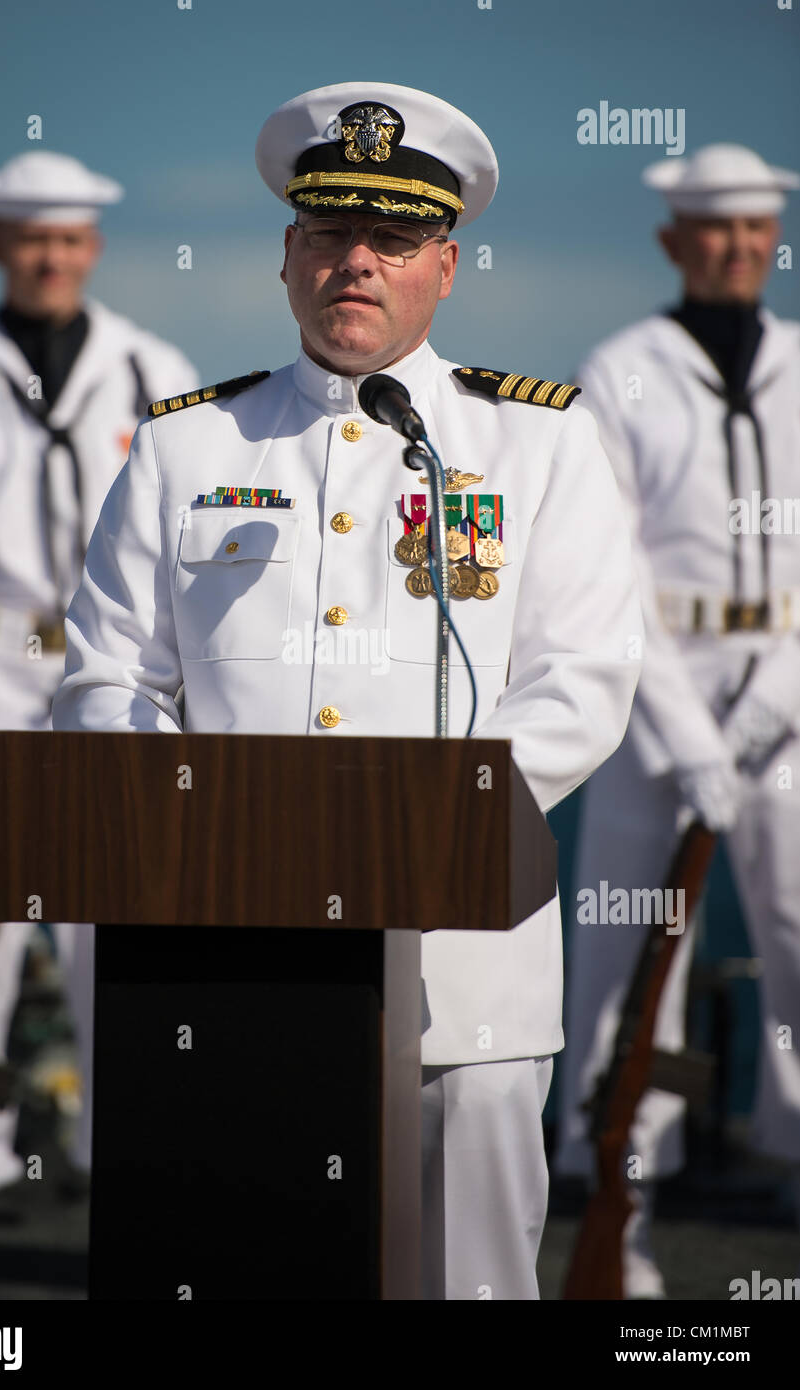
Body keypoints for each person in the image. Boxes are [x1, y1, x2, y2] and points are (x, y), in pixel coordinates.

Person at [52, 82, 642, 1300]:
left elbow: (578, 680)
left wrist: (416, 830)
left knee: (464, 1286)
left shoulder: (537, 443)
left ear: (446, 264)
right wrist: (184, 820)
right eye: (327, 234)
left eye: (391, 240)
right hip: (225, 957)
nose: (354, 264)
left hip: (461, 975)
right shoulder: (186, 446)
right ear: (286, 258)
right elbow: (107, 677)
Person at [0, 149, 198, 1298]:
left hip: (114, 700)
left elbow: (185, 558)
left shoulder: (152, 373)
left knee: (131, 984)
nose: (50, 257)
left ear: (93, 249)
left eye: (67, 240)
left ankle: (137, 1244)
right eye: (30, 238)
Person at [555, 144, 800, 1298]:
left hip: (783, 698)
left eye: (753, 229)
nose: (735, 247)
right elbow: (603, 576)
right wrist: (691, 735)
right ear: (671, 239)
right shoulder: (620, 370)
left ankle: (791, 1170)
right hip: (649, 704)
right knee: (622, 963)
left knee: (799, 936)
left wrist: (767, 704)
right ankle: (620, 1196)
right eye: (712, 228)